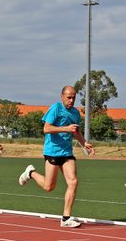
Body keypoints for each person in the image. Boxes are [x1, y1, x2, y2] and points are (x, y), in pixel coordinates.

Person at [17, 86, 94, 228]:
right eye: (68, 97)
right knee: (49, 187)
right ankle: (30, 173)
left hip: (66, 152)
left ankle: (65, 218)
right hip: (52, 151)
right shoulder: (56, 108)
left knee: (73, 182)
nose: (71, 100)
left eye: (73, 98)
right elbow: (46, 129)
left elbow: (76, 132)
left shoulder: (76, 113)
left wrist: (84, 144)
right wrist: (65, 128)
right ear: (62, 96)